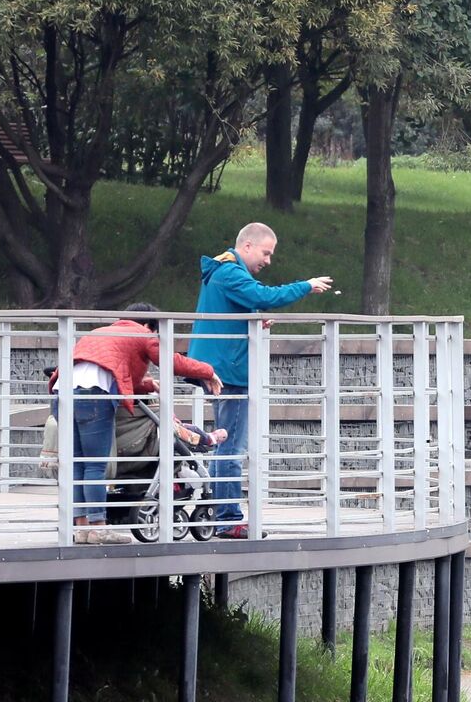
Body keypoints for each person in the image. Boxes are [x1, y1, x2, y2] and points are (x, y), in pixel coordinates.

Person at [188, 222, 333, 539]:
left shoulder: (222, 271)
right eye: (266, 253)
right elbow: (263, 295)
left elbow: (245, 302)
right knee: (231, 447)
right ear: (248, 246)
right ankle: (228, 518)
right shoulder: (229, 272)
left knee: (225, 443)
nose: (268, 261)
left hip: (220, 367)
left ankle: (221, 515)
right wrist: (305, 286)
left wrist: (254, 316)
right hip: (230, 372)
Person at [52, 303, 222, 544]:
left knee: (77, 465)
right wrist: (208, 371)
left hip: (62, 394)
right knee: (94, 466)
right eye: (156, 333)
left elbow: (114, 372)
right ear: (147, 326)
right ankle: (99, 528)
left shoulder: (101, 332)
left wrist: (146, 384)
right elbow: (170, 361)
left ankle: (82, 529)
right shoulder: (140, 333)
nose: (156, 338)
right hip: (93, 396)